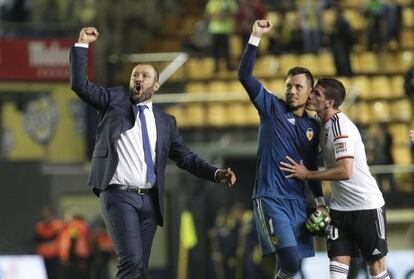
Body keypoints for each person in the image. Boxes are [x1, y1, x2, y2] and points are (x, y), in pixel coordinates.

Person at [70, 27, 237, 279]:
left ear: (156, 85)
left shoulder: (166, 122)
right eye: (135, 75)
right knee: (131, 262)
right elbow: (80, 85)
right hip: (118, 195)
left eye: (145, 76)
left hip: (149, 201)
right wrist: (83, 44)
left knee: (141, 269)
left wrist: (215, 173)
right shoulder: (114, 100)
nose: (138, 78)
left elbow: (186, 157)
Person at [238, 19, 327, 279]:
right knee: (289, 261)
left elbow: (312, 167)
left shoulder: (313, 127)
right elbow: (244, 76)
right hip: (271, 198)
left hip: (297, 202)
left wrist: (320, 202)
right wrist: (255, 36)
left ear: (310, 92)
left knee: (292, 266)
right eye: (289, 85)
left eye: (298, 86)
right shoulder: (271, 107)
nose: (292, 90)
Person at [280, 77, 391, 279]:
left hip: (366, 206)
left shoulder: (341, 127)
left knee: (375, 267)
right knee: (337, 267)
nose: (311, 95)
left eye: (317, 94)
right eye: (312, 91)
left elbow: (345, 171)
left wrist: (308, 174)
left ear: (330, 103)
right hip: (339, 209)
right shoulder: (321, 125)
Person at [35, 207, 64, 279]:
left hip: (54, 255)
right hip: (43, 255)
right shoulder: (40, 225)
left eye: (47, 213)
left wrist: (50, 224)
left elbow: (54, 235)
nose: (45, 215)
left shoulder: (57, 224)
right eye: (44, 214)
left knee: (54, 274)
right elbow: (39, 237)